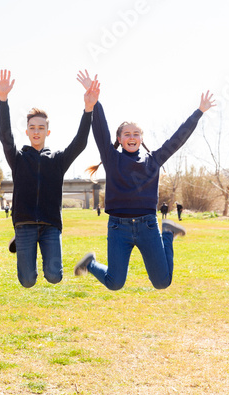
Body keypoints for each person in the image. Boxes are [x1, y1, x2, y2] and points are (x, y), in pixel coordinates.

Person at [74, 70, 215, 290]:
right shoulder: (112, 159)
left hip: (148, 226)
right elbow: (100, 131)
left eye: (136, 134)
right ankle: (91, 264)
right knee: (114, 282)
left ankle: (167, 232)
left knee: (162, 282)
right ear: (119, 139)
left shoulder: (154, 160)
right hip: (118, 228)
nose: (132, 137)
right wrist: (94, 104)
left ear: (141, 138)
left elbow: (178, 139)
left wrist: (199, 112)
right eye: (127, 134)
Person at [0, 69, 96, 288]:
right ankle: (21, 242)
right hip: (24, 223)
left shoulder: (58, 160)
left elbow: (79, 143)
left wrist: (88, 110)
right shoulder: (18, 158)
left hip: (51, 224)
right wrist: (3, 100)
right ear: (27, 131)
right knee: (27, 281)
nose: (36, 132)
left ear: (47, 132)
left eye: (41, 128)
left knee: (54, 276)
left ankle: (29, 247)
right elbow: (5, 137)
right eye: (32, 128)